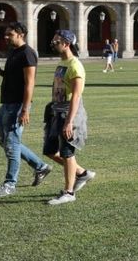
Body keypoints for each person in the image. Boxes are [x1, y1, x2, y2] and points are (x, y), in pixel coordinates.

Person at [0, 21, 51, 197]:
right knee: (6, 142)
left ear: (20, 34)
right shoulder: (14, 52)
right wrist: (0, 72)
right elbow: (14, 77)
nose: (6, 37)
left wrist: (25, 109)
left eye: (10, 34)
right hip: (6, 104)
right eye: (6, 34)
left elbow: (30, 83)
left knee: (11, 144)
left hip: (17, 105)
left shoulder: (28, 54)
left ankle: (10, 184)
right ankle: (41, 167)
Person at [43, 30, 96, 205]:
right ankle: (82, 173)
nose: (53, 43)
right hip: (57, 112)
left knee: (67, 152)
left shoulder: (75, 66)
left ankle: (69, 192)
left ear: (66, 43)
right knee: (50, 150)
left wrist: (69, 122)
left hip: (69, 113)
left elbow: (76, 96)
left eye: (56, 41)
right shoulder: (62, 62)